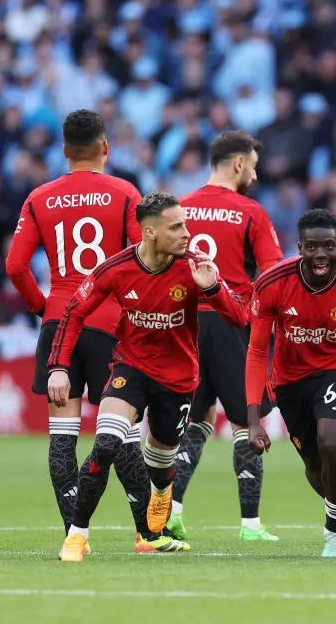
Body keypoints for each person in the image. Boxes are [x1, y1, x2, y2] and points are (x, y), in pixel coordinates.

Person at [47, 191, 250, 561]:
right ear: (150, 232)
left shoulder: (194, 266)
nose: (187, 233)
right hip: (131, 371)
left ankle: (161, 494)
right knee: (105, 444)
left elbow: (240, 316)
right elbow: (74, 312)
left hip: (178, 382)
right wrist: (59, 366)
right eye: (176, 227)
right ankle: (76, 537)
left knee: (160, 464)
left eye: (185, 223)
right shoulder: (116, 269)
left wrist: (213, 287)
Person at [5, 109, 154, 550]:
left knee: (62, 437)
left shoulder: (39, 197)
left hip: (59, 322)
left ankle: (74, 534)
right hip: (110, 324)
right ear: (105, 147)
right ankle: (148, 534)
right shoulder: (125, 193)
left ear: (65, 151)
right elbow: (142, 260)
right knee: (120, 430)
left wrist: (41, 306)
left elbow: (15, 265)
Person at [168, 131, 283, 543]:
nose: (254, 172)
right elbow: (272, 274)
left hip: (185, 325)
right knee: (244, 421)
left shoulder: (179, 208)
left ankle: (171, 514)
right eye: (252, 164)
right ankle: (251, 525)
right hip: (233, 321)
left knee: (192, 421)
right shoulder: (250, 211)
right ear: (238, 164)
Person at [246, 208, 336, 558]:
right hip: (290, 380)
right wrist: (253, 420)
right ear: (300, 247)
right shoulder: (272, 284)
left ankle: (333, 533)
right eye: (311, 247)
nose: (320, 254)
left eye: (328, 246)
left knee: (332, 441)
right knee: (314, 467)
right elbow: (258, 351)